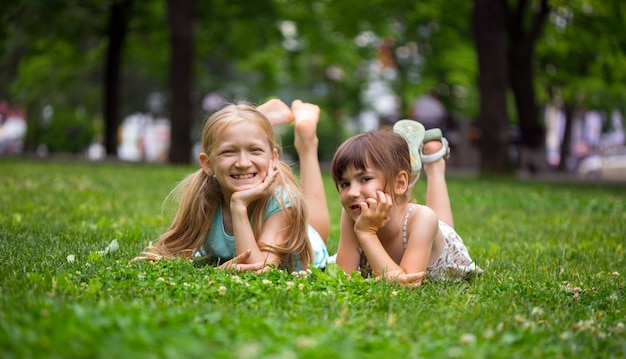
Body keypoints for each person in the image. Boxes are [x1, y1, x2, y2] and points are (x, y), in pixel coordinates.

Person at [138, 99, 329, 272]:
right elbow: (173, 251)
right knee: (240, 134)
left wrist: (238, 206)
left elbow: (260, 271)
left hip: (308, 241)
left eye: (255, 150)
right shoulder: (203, 194)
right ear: (207, 164)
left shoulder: (282, 200)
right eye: (229, 152)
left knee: (316, 227)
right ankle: (253, 122)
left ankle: (307, 141)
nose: (243, 163)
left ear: (273, 158)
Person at [330, 119, 482, 287]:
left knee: (442, 224)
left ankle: (434, 164)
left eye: (365, 179)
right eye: (345, 184)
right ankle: (406, 161)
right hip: (401, 198)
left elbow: (407, 286)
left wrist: (366, 233)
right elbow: (342, 278)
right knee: (398, 197)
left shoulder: (423, 219)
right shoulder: (353, 215)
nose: (352, 193)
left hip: (438, 240)